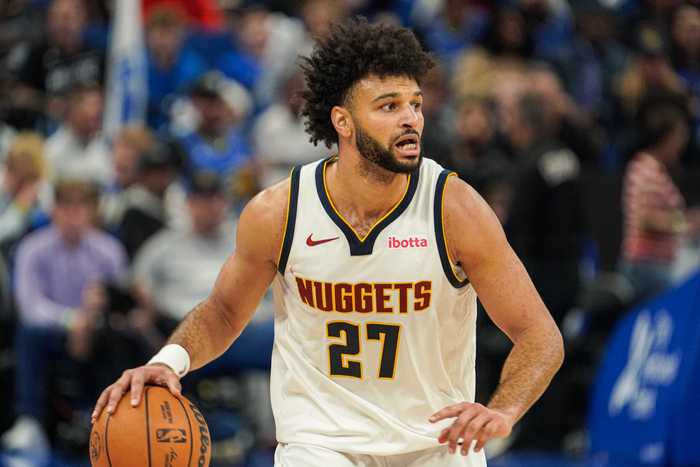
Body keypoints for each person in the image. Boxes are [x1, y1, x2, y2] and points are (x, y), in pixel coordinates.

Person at [92, 18, 564, 467]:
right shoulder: (281, 211)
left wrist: (503, 409)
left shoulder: (454, 209)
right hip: (321, 444)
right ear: (342, 120)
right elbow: (224, 312)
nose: (410, 119)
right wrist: (168, 362)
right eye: (389, 106)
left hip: (435, 443)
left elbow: (540, 335)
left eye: (415, 104)